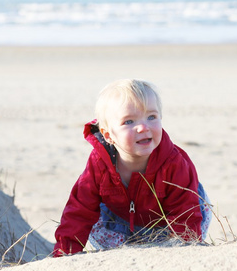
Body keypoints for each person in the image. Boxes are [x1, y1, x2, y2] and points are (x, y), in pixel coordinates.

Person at [53, 79, 211, 256]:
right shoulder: (99, 163)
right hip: (121, 220)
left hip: (167, 222)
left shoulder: (174, 162)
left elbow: (185, 212)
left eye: (151, 117)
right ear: (108, 135)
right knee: (98, 223)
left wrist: (184, 251)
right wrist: (64, 253)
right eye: (129, 121)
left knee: (186, 224)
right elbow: (79, 210)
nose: (143, 127)